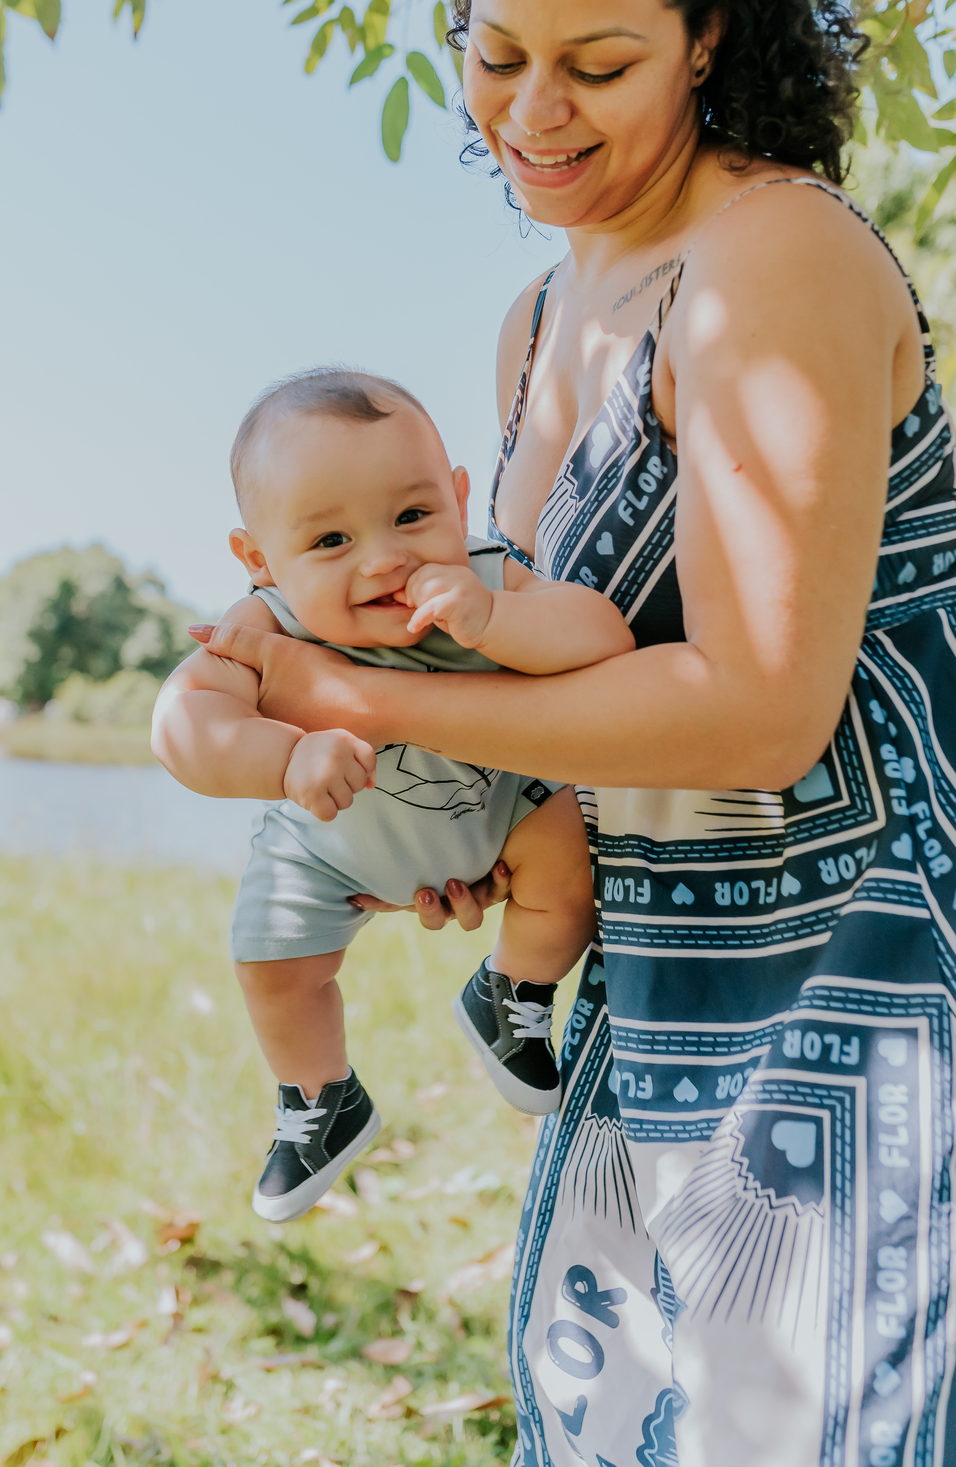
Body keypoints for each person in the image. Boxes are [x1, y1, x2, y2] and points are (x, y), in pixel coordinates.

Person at [193, 0, 956, 1464]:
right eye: (495, 55)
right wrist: (458, 814)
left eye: (598, 65)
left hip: (889, 983)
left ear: (706, 39)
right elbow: (545, 653)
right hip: (669, 987)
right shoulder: (536, 324)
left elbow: (762, 708)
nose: (530, 112)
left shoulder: (775, 259)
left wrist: (372, 701)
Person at [152, 366, 633, 1220]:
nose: (384, 559)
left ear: (457, 498)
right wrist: (281, 760)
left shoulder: (488, 576)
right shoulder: (267, 625)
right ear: (260, 557)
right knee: (272, 966)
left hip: (498, 814)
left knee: (568, 869)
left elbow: (604, 634)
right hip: (323, 846)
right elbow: (181, 723)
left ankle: (512, 991)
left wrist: (493, 621)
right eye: (330, 541)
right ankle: (320, 1098)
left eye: (413, 516)